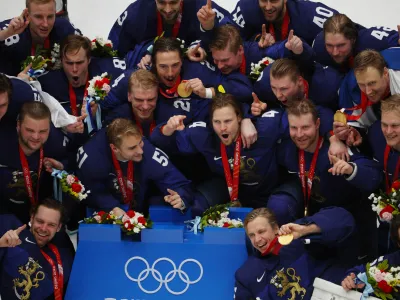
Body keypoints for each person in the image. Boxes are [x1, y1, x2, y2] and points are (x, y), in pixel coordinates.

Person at [150, 93, 303, 224]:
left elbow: (296, 119)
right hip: (228, 190)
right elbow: (158, 142)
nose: (222, 128)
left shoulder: (263, 129)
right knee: (196, 207)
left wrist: (329, 137)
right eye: (217, 122)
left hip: (271, 188)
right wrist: (167, 128)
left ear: (238, 117)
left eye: (228, 121)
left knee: (281, 208)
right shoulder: (203, 135)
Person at [278, 100, 381, 260]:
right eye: (294, 128)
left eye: (305, 127)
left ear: (318, 124)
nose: (299, 134)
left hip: (345, 223)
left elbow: (373, 174)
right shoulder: (288, 151)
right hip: (313, 215)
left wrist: (350, 169)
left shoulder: (337, 151)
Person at [76, 118, 201, 216]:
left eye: (140, 142)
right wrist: (112, 207)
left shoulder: (148, 152)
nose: (140, 151)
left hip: (140, 208)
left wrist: (180, 197)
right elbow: (88, 191)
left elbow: (179, 182)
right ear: (115, 148)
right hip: (101, 216)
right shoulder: (92, 157)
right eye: (132, 148)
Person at [234, 206, 356, 299]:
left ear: (276, 228)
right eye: (252, 235)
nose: (257, 239)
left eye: (261, 232)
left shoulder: (298, 236)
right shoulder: (246, 274)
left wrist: (306, 230)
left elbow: (346, 221)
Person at [0, 102, 69, 224]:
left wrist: (62, 166)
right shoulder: (3, 143)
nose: (36, 137)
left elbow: (74, 159)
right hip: (4, 213)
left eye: (43, 131)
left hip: (42, 216)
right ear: (18, 126)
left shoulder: (57, 142)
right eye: (29, 130)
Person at [0, 198, 75, 300]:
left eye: (51, 225)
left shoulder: (62, 243)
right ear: (32, 218)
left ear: (58, 227)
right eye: (40, 221)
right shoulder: (12, 241)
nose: (43, 228)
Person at [108, 0, 228, 57]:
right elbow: (115, 54)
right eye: (161, 2)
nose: (168, 9)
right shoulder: (136, 13)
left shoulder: (202, 7)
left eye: (173, 2)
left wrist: (209, 27)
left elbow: (233, 34)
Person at [335, 48, 400, 143]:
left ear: (385, 73)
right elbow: (351, 123)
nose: (368, 91)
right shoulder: (351, 87)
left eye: (372, 83)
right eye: (361, 84)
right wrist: (351, 132)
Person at [0, 0, 81, 75]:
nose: (45, 24)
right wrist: (7, 33)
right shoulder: (10, 31)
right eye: (39, 17)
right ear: (27, 15)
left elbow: (87, 51)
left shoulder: (64, 28)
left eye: (50, 16)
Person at [211, 0, 338, 45]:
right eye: (263, 0)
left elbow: (351, 29)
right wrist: (208, 28)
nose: (268, 6)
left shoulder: (309, 13)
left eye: (274, 0)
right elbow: (225, 33)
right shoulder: (247, 8)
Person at [208, 24, 314, 76]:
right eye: (216, 60)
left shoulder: (257, 53)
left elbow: (276, 50)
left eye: (225, 60)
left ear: (240, 50)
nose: (220, 66)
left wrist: (294, 48)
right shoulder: (212, 62)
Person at [313, 14, 400, 72]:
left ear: (353, 39)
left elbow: (395, 39)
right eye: (329, 45)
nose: (335, 52)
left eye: (341, 45)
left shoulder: (372, 42)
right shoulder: (319, 47)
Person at [253, 57, 343, 110]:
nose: (278, 95)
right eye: (273, 87)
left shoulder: (329, 86)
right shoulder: (264, 84)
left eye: (284, 89)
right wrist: (253, 112)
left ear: (299, 81)